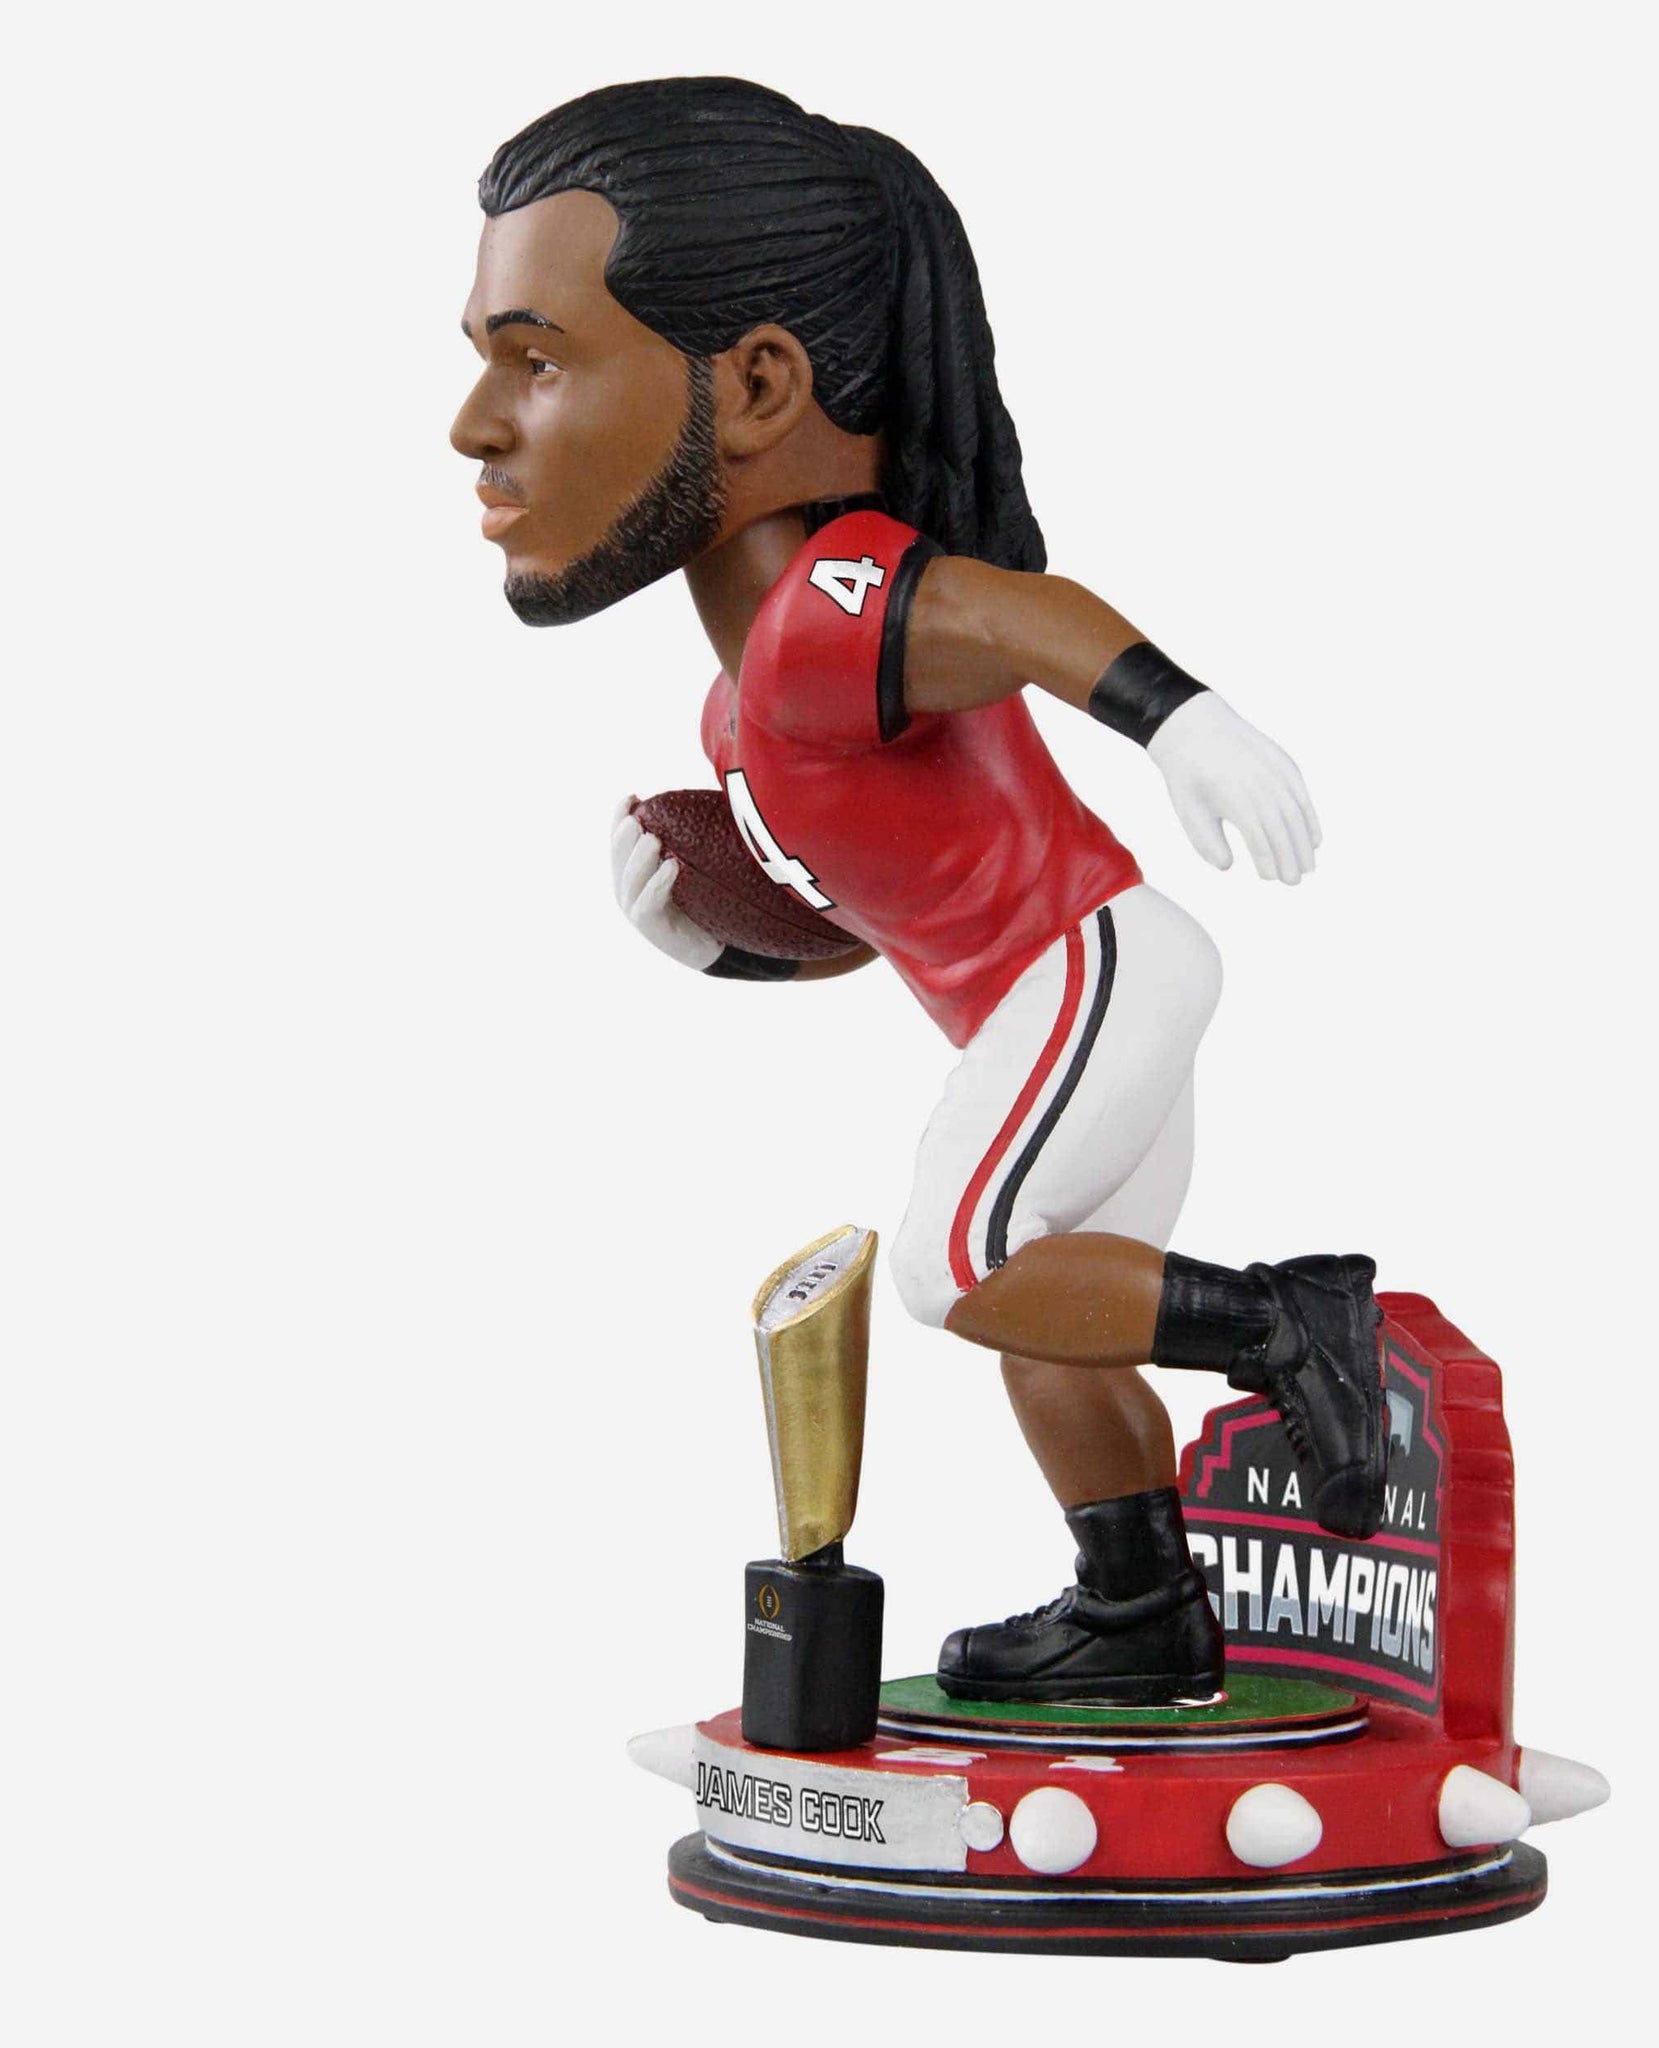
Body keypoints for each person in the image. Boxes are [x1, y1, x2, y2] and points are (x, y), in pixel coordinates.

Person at [451, 78, 1386, 1705]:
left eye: (535, 360)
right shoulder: (742, 704)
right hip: (1061, 1001)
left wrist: (1182, 719)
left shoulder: (827, 604)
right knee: (1043, 1308)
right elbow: (871, 919)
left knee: (960, 1262)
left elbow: (1013, 614)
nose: (476, 424)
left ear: (759, 385)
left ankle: (1290, 1324)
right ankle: (1141, 1605)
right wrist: (720, 952)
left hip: (1092, 969)